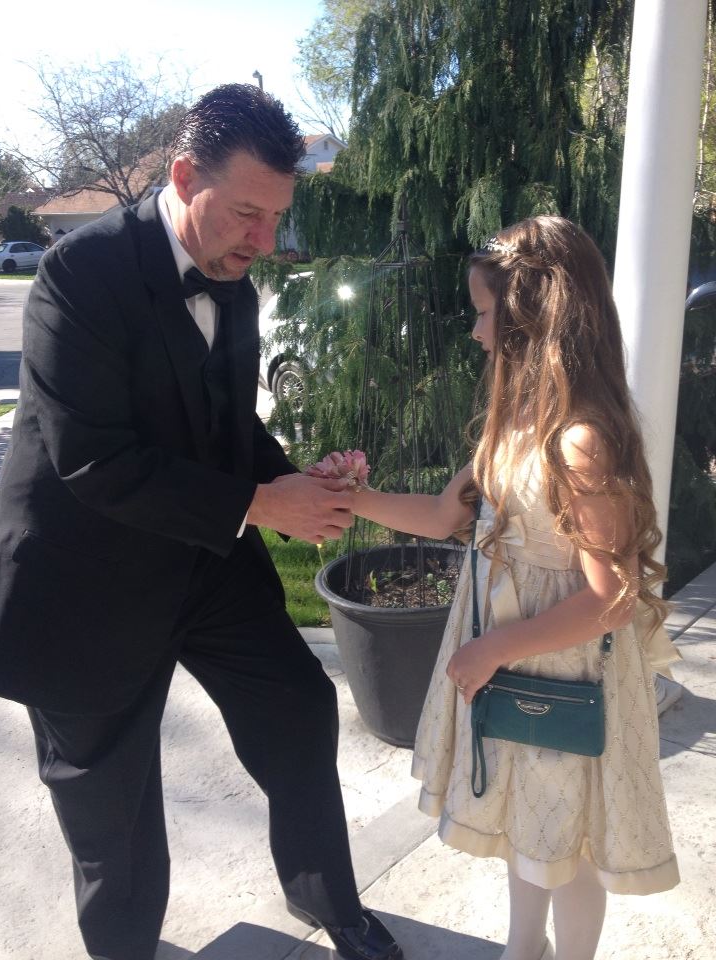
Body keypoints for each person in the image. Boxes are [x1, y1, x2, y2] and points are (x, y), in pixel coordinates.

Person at [0, 84, 403, 960]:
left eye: (277, 218)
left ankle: (330, 902)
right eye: (249, 213)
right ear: (184, 175)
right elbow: (93, 460)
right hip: (85, 582)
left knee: (298, 711)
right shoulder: (77, 276)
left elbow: (226, 428)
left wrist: (293, 478)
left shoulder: (236, 284)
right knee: (113, 811)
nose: (265, 241)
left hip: (204, 563)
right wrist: (260, 503)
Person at [335, 216, 680, 960]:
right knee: (533, 827)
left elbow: (612, 596)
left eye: (485, 312)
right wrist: (350, 497)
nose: (475, 332)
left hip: (565, 672)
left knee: (572, 838)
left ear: (531, 317)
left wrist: (492, 648)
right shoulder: (517, 425)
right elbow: (437, 515)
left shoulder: (579, 440)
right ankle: (524, 949)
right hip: (517, 663)